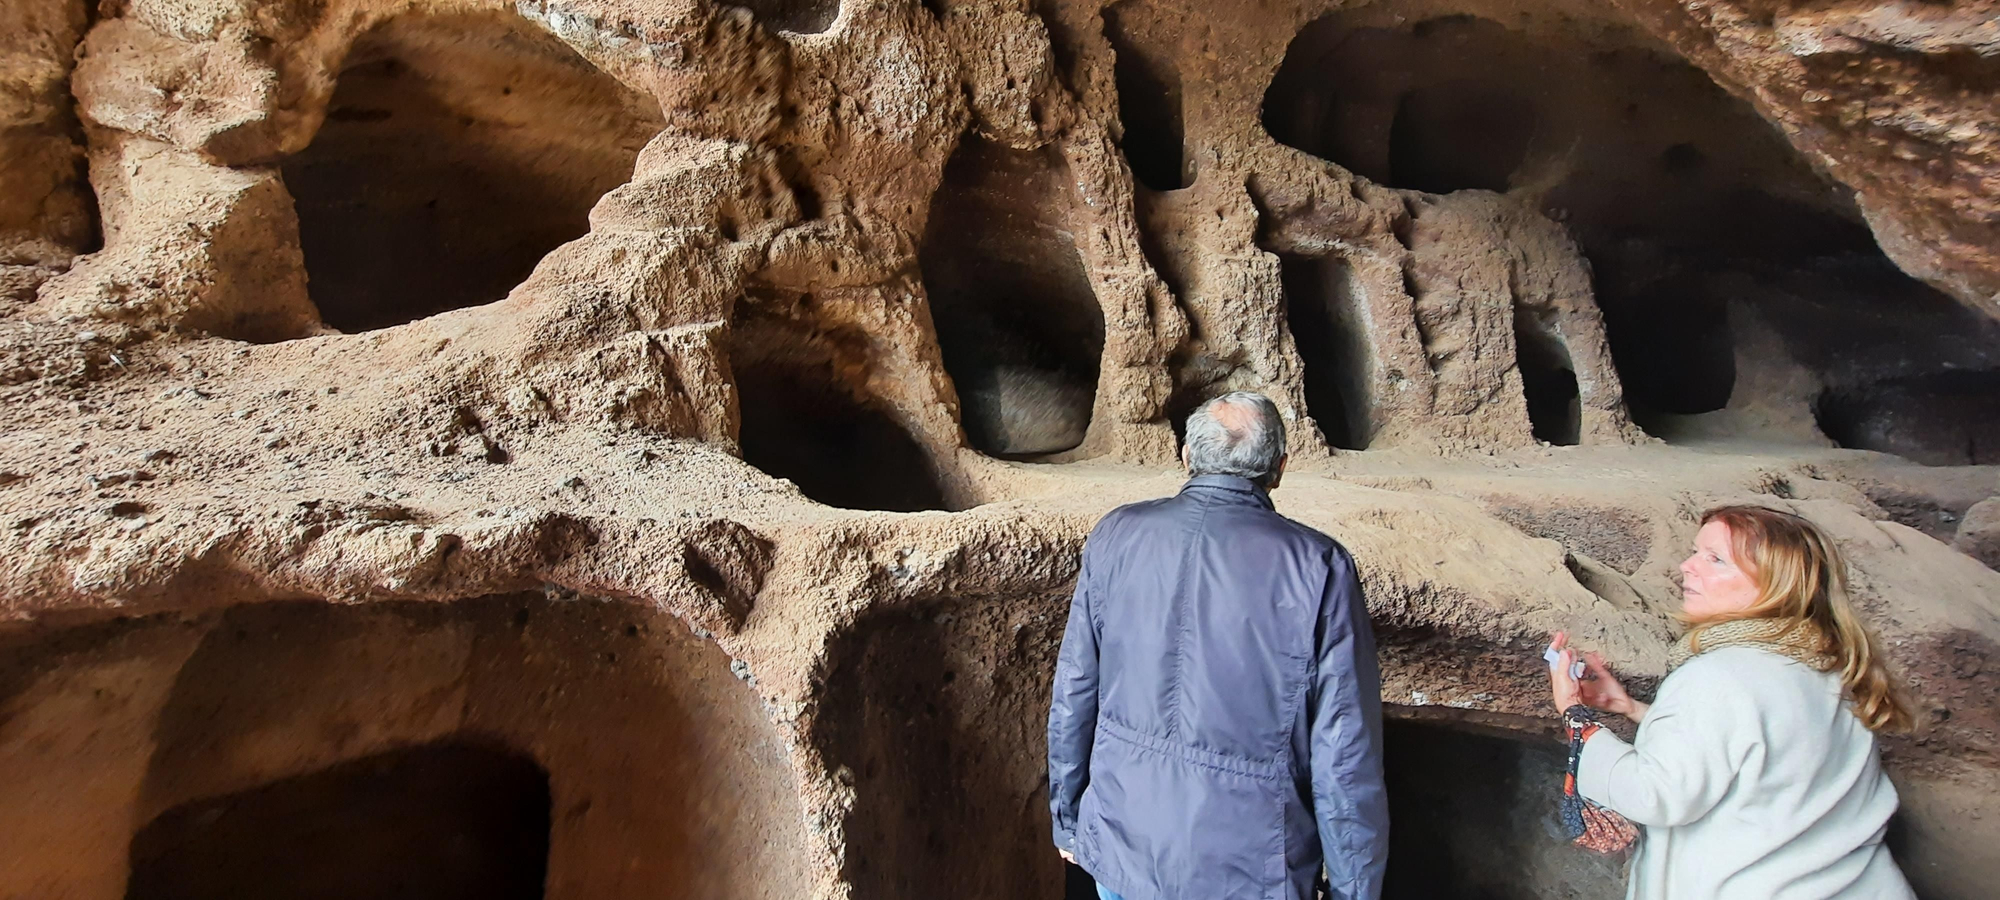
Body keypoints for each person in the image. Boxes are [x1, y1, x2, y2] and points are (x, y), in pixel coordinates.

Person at [1047, 391, 1388, 900]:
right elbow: (1344, 751)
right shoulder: (1319, 566)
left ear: (1186, 457)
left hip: (1123, 843)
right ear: (1279, 469)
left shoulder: (1116, 535)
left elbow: (1074, 693)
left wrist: (1069, 821)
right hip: (1250, 870)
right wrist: (1353, 889)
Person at [1547, 505, 1916, 899]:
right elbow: (1755, 749)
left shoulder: (1718, 675)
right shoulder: (1825, 666)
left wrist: (1575, 716)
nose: (1687, 566)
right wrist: (1632, 708)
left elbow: (1653, 795)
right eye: (1696, 552)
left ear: (1774, 585)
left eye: (1716, 559)